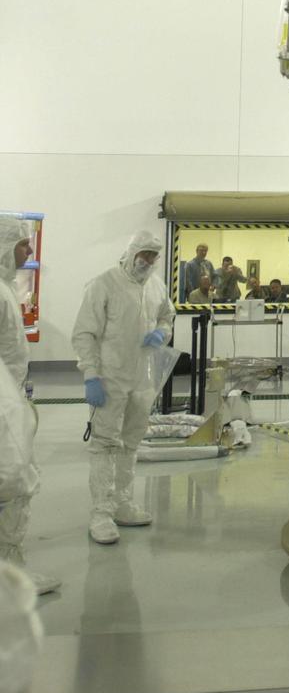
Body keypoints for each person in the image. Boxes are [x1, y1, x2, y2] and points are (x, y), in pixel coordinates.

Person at [71, 230, 174, 545]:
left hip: (142, 379)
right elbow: (84, 333)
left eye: (153, 256)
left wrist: (162, 333)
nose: (148, 261)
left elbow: (167, 316)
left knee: (131, 442)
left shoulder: (157, 286)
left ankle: (122, 503)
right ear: (131, 253)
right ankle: (101, 513)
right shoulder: (103, 284)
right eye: (144, 254)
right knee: (105, 444)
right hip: (109, 379)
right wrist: (91, 375)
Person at [0, 216, 61, 594]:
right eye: (23, 244)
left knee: (15, 481)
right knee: (17, 481)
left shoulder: (7, 288)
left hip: (10, 401)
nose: (28, 250)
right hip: (3, 407)